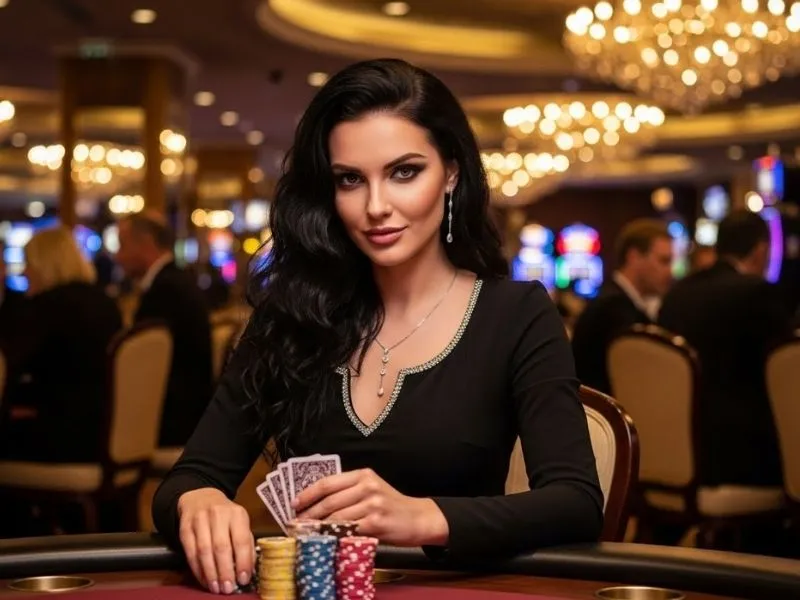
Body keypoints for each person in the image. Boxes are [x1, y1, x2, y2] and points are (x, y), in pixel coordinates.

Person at [152, 58, 603, 595]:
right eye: (350, 180)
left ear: (451, 172)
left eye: (404, 172)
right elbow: (187, 476)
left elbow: (576, 502)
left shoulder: (517, 313)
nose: (376, 207)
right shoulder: (293, 314)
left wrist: (419, 518)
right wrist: (197, 498)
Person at [658, 210, 791, 490]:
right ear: (761, 250)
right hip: (743, 460)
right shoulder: (758, 293)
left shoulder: (676, 295)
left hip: (672, 453)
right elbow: (787, 373)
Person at [0, 226, 122, 462]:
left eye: (28, 263)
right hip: (105, 431)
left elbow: (10, 366)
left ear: (45, 264)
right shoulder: (105, 303)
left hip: (66, 439)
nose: (24, 272)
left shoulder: (47, 307)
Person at [116, 213, 214, 448]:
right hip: (192, 415)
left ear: (146, 244)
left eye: (122, 245)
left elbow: (143, 371)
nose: (117, 256)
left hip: (173, 421)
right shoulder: (176, 281)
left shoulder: (166, 290)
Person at [571, 218, 673, 395]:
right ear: (634, 257)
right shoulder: (613, 309)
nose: (669, 272)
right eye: (664, 261)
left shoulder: (616, 303)